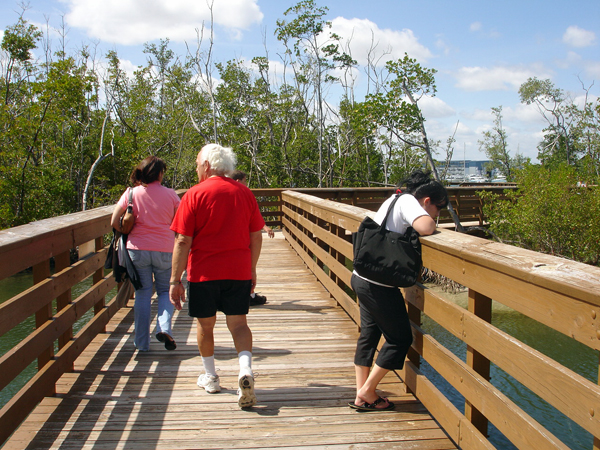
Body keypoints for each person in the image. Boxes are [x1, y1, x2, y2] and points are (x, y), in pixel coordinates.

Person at [169, 144, 265, 409]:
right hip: (237, 270)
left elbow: (182, 240)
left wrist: (174, 280)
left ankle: (210, 377)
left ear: (208, 165)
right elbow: (256, 235)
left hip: (204, 273)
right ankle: (245, 370)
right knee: (239, 324)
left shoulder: (194, 194)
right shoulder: (244, 193)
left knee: (205, 325)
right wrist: (252, 268)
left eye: (198, 164)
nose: (197, 168)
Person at [349, 170, 448, 411]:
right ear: (426, 201)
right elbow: (425, 227)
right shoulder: (407, 201)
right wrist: (431, 220)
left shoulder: (395, 198)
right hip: (378, 286)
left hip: (362, 278)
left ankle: (362, 397)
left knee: (369, 335)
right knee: (400, 338)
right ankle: (368, 390)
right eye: (438, 208)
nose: (438, 213)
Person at [110, 156, 181, 352]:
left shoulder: (131, 193)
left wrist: (127, 231)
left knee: (142, 293)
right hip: (165, 249)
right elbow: (180, 223)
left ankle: (142, 343)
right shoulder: (171, 195)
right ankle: (164, 328)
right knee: (165, 291)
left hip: (137, 251)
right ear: (159, 174)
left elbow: (114, 221)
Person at [231, 169, 273, 306]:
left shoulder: (225, 194)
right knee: (245, 267)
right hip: (242, 240)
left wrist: (265, 227)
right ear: (238, 181)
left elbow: (254, 218)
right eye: (244, 181)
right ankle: (249, 295)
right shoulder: (243, 195)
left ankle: (249, 294)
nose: (246, 184)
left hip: (230, 240)